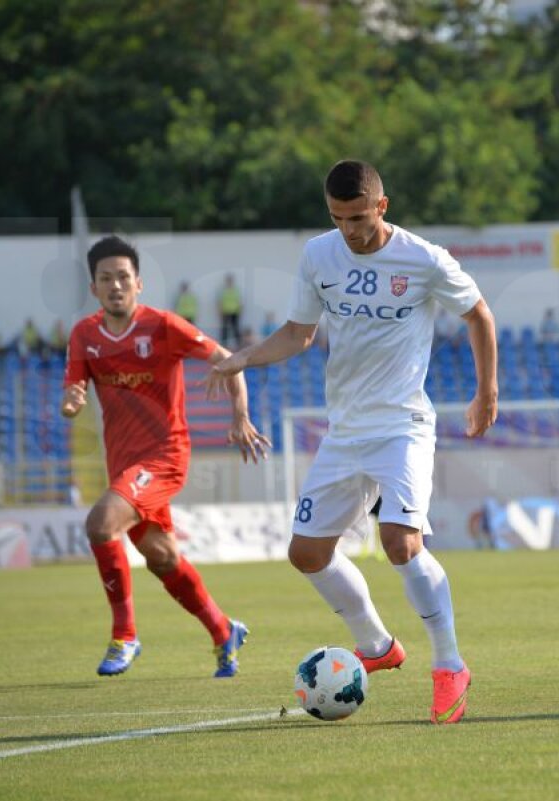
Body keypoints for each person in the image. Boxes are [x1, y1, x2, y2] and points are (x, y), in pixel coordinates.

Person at [208, 160, 498, 724]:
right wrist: (243, 357)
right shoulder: (319, 255)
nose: (349, 230)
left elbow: (478, 314)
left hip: (402, 426)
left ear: (381, 207)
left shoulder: (423, 259)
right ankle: (376, 644)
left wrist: (486, 392)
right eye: (338, 218)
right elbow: (299, 333)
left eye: (359, 218)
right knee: (306, 553)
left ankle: (449, 665)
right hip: (345, 431)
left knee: (400, 542)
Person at [61, 235, 270, 679]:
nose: (116, 285)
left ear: (138, 283)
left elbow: (228, 359)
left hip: (164, 456)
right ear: (94, 287)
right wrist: (73, 399)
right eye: (106, 279)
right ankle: (224, 631)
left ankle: (125, 636)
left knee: (100, 524)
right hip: (123, 466)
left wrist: (240, 416)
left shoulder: (164, 326)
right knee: (162, 558)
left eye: (123, 277)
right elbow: (73, 387)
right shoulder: (84, 335)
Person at [218, 273, 243, 349]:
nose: (230, 282)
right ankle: (223, 345)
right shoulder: (223, 290)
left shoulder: (236, 290)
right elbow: (220, 301)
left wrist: (240, 310)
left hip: (235, 312)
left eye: (231, 280)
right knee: (225, 329)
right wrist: (220, 311)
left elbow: (239, 301)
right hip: (225, 312)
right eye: (228, 280)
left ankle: (239, 344)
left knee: (235, 328)